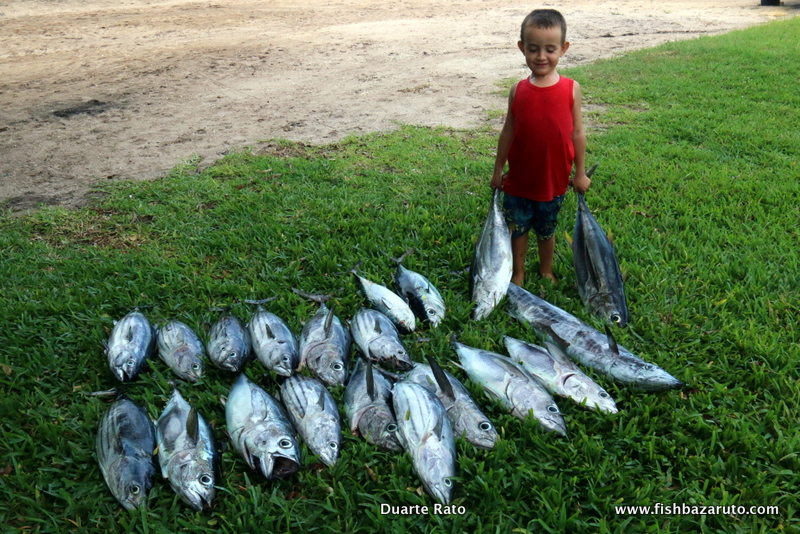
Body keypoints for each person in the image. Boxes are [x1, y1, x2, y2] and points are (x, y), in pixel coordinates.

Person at [490, 8, 590, 285]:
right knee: (518, 229)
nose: (541, 57)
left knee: (547, 229)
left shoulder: (571, 88)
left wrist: (580, 173)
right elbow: (507, 132)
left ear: (563, 49)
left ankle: (546, 269)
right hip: (519, 181)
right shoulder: (517, 90)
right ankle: (518, 272)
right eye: (533, 49)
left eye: (549, 49)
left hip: (553, 180)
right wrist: (498, 170)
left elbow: (578, 133)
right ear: (522, 48)